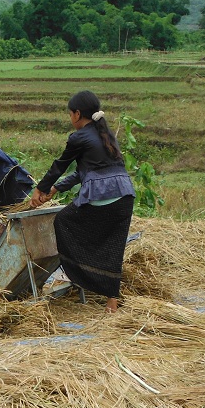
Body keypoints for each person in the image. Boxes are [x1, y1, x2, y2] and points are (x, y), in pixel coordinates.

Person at [30, 90, 136, 313]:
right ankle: (111, 303)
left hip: (102, 197)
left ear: (77, 114)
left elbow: (60, 165)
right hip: (125, 197)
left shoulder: (78, 137)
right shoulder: (106, 134)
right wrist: (56, 188)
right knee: (112, 247)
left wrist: (39, 189)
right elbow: (83, 172)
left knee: (64, 222)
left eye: (70, 115)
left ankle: (79, 276)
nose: (70, 119)